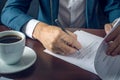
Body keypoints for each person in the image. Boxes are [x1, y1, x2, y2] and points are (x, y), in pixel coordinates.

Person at [1, 0, 120, 56]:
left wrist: (117, 23)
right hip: (46, 48)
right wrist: (40, 30)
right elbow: (9, 11)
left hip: (94, 46)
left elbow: (114, 6)